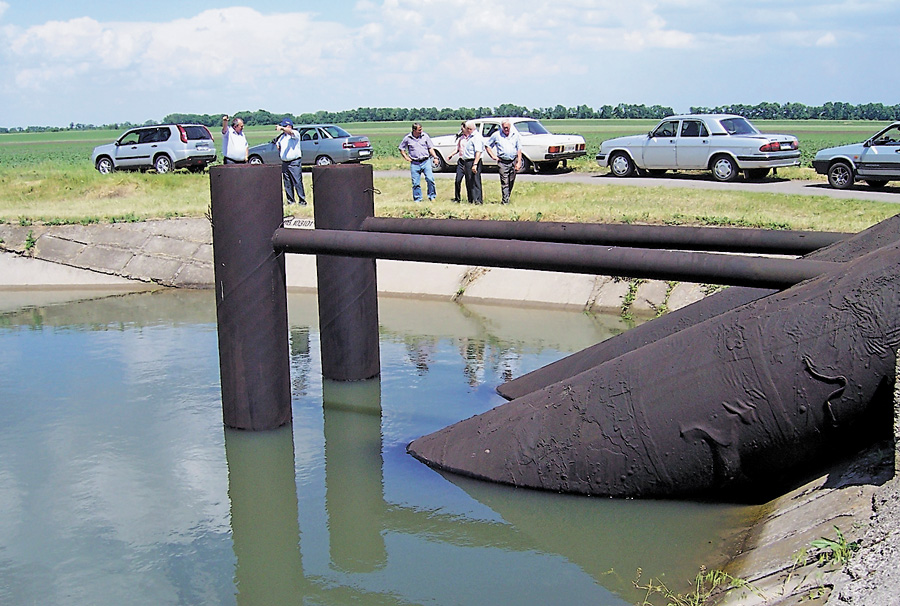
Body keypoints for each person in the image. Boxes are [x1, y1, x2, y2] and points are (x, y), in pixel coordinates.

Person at [485, 119, 523, 204]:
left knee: (511, 181)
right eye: (504, 128)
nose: (506, 129)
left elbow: (519, 149)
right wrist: (493, 156)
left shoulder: (515, 135)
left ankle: (507, 196)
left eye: (508, 128)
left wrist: (519, 162)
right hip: (502, 162)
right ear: (501, 127)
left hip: (513, 160)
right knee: (504, 182)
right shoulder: (496, 135)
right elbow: (487, 146)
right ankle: (505, 201)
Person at [398, 122, 437, 202]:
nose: (421, 131)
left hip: (425, 161)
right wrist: (406, 157)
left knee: (430, 179)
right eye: (419, 130)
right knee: (416, 183)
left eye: (421, 129)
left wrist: (435, 157)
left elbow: (430, 148)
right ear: (414, 130)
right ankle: (418, 199)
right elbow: (401, 148)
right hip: (415, 163)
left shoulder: (425, 136)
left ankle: (432, 196)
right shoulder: (407, 138)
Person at [276, 118, 306, 206]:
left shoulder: (295, 134)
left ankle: (302, 201)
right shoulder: (282, 137)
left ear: (289, 126)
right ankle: (290, 201)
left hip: (294, 162)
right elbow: (278, 146)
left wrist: (281, 128)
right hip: (285, 162)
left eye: (284, 126)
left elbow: (290, 132)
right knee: (287, 183)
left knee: (297, 181)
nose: (283, 128)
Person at [460, 120, 484, 204]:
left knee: (475, 181)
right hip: (467, 161)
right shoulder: (470, 137)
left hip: (473, 161)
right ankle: (471, 199)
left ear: (469, 129)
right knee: (469, 181)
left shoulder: (476, 137)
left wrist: (475, 164)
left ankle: (477, 200)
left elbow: (478, 151)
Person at [447, 121, 467, 202]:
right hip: (461, 161)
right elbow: (457, 149)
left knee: (469, 182)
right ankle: (457, 198)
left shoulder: (471, 138)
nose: (461, 130)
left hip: (469, 162)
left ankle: (471, 198)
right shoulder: (461, 138)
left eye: (463, 128)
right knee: (457, 181)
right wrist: (451, 155)